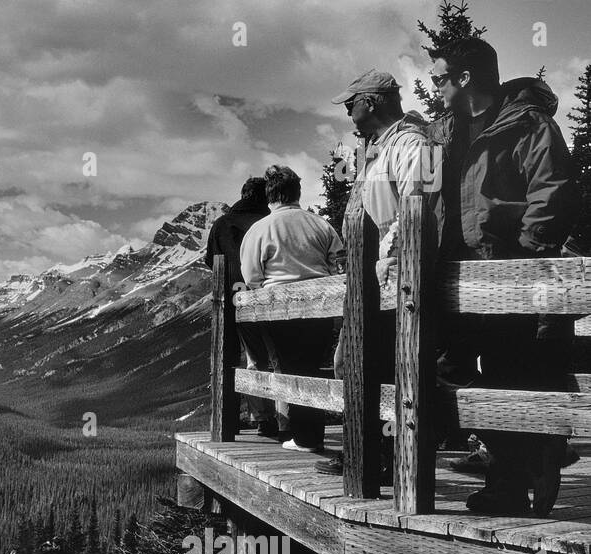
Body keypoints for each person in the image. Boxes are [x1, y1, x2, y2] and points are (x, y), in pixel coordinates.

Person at [425, 37, 578, 516]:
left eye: (439, 78)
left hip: (506, 275)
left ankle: (507, 487)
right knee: (439, 371)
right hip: (450, 277)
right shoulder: (441, 132)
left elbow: (553, 190)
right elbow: (426, 197)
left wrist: (523, 258)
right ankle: (538, 454)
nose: (434, 87)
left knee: (507, 374)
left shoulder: (529, 124)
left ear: (465, 78)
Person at [317, 69, 435, 477]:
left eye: (353, 103)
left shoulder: (411, 143)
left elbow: (416, 206)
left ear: (375, 101)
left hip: (397, 272)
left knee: (385, 365)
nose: (349, 111)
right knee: (355, 361)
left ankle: (381, 456)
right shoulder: (377, 147)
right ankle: (366, 448)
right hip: (376, 273)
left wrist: (388, 258)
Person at [240, 165, 345, 453]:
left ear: (270, 195)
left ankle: (304, 437)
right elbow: (338, 261)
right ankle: (312, 435)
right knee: (311, 367)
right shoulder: (320, 224)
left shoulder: (260, 229)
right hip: (322, 307)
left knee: (289, 370)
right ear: (297, 192)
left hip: (281, 310)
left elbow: (252, 277)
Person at [205, 177, 279, 437]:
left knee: (236, 360)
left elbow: (212, 263)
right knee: (276, 358)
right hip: (270, 299)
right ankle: (284, 421)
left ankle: (249, 420)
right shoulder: (270, 222)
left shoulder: (222, 224)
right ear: (265, 197)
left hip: (230, 302)